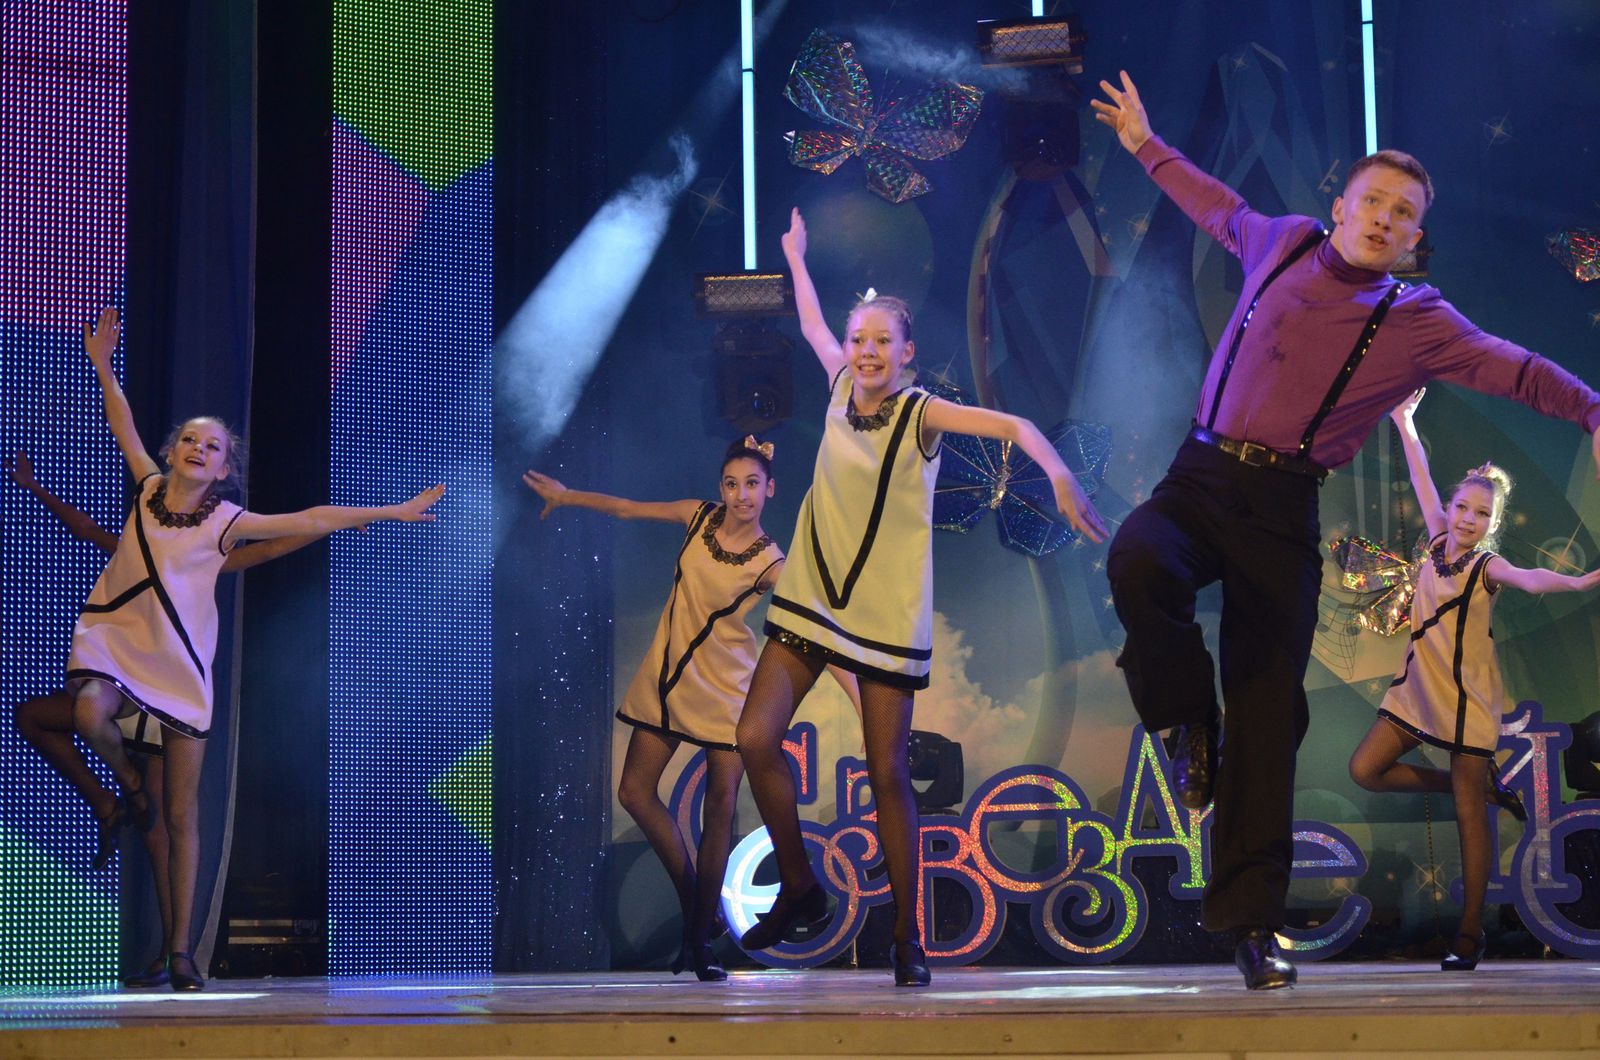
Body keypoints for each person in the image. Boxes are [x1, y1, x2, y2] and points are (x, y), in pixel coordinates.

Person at [1091, 72, 1600, 989]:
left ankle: (1250, 924)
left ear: (1412, 239)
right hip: (1201, 476)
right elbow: (1217, 207)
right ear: (1340, 207)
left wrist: (1592, 409)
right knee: (1137, 560)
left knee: (1267, 710)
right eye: (1373, 201)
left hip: (1283, 510)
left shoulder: (1419, 319)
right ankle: (1186, 722)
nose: (1383, 218)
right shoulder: (1283, 243)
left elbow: (1516, 369)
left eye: (1403, 214)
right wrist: (1143, 144)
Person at [734, 208, 1106, 988]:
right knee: (755, 738)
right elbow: (811, 325)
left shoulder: (920, 413)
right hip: (812, 596)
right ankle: (800, 887)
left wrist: (1060, 475)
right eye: (859, 339)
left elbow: (1014, 425)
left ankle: (909, 937)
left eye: (882, 342)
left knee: (887, 771)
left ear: (907, 353)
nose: (865, 351)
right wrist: (795, 257)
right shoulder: (839, 385)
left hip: (881, 614)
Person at [65, 307, 444, 991]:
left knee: (182, 815)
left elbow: (310, 517)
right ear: (173, 452)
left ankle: (181, 951)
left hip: (180, 670)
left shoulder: (227, 522)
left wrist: (389, 511)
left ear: (222, 469)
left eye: (211, 446)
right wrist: (103, 366)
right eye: (189, 439)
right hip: (120, 645)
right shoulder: (147, 490)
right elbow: (122, 423)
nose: (197, 448)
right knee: (89, 711)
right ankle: (128, 784)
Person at [524, 441, 860, 982]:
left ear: (769, 489)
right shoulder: (698, 517)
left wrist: (859, 699)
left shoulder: (772, 562)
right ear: (720, 487)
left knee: (720, 807)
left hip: (727, 689)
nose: (741, 494)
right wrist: (567, 497)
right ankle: (697, 904)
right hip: (669, 675)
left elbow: (819, 631)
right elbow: (628, 508)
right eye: (732, 483)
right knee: (634, 791)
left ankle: (698, 941)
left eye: (752, 484)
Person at [5, 449, 328, 987]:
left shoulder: (213, 552)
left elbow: (272, 546)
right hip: (122, 683)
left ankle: (177, 952)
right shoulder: (139, 543)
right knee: (42, 717)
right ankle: (110, 800)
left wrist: (332, 526)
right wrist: (37, 490)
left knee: (170, 826)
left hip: (170, 695)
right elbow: (88, 530)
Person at [1349, 389, 1600, 970]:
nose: (1467, 519)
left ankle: (1468, 935)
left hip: (1465, 703)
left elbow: (1534, 579)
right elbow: (1420, 476)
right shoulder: (1439, 539)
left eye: (1481, 514)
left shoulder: (1488, 566)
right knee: (1365, 770)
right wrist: (1404, 422)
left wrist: (1583, 583)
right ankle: (1475, 786)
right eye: (1463, 507)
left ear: (1492, 524)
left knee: (1469, 820)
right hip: (1416, 691)